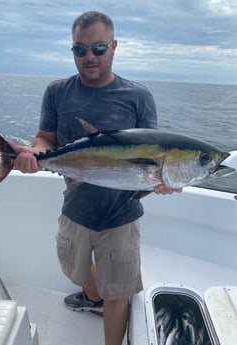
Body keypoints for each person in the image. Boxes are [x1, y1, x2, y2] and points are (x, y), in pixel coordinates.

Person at [11, 11, 182, 345]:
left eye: (98, 48)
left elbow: (153, 155)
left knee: (119, 291)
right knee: (74, 272)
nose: (89, 56)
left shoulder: (138, 97)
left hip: (122, 214)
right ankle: (93, 295)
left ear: (114, 47)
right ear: (73, 51)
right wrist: (35, 154)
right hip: (76, 206)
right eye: (80, 49)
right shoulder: (57, 91)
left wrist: (161, 180)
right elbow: (46, 138)